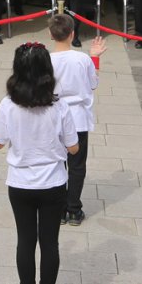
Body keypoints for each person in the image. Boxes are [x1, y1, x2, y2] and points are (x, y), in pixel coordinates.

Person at [0, 42, 79, 284]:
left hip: (20, 183)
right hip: (53, 183)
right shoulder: (59, 106)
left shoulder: (8, 104)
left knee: (25, 241)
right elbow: (73, 147)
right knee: (50, 243)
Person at [48, 14, 105, 226]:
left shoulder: (45, 59)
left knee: (57, 163)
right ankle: (74, 209)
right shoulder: (82, 59)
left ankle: (59, 209)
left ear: (51, 34)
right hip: (77, 117)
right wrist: (95, 57)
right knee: (77, 165)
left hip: (54, 117)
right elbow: (93, 83)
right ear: (72, 34)